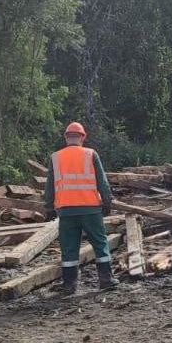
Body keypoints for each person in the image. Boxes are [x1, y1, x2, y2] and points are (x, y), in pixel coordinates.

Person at [44, 122, 117, 295]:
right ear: (83, 137)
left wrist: (48, 207)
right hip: (90, 209)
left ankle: (69, 285)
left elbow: (49, 186)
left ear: (66, 137)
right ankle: (106, 279)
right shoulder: (91, 154)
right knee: (100, 243)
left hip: (66, 210)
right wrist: (107, 202)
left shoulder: (56, 157)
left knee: (69, 247)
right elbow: (102, 181)